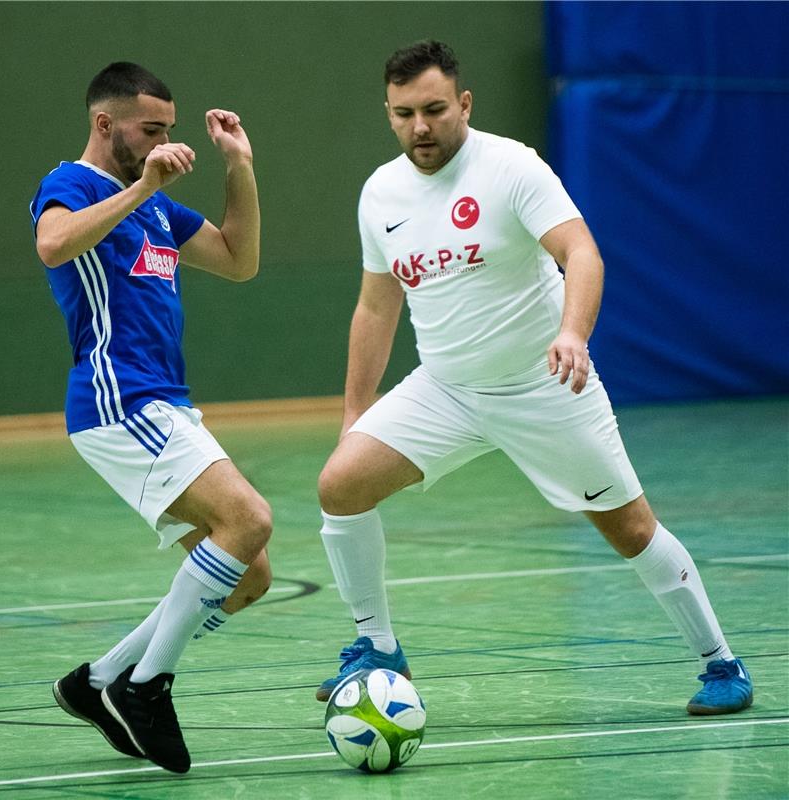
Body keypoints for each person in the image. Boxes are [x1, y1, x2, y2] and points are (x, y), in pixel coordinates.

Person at [315, 40, 753, 717]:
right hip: (447, 388)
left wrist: (572, 332)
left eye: (434, 109)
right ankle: (378, 647)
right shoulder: (382, 193)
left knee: (630, 529)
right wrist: (354, 412)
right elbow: (377, 305)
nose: (420, 127)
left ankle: (719, 661)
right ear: (389, 113)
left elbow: (580, 251)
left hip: (543, 384)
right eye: (404, 114)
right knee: (341, 485)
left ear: (464, 103)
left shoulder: (511, 166)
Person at [30, 62, 272, 774]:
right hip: (117, 397)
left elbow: (238, 260)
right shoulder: (71, 184)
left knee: (249, 574)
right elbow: (52, 244)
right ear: (106, 124)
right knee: (249, 518)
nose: (167, 142)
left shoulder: (161, 207)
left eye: (171, 128)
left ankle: (98, 681)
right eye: (152, 129)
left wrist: (240, 166)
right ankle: (148, 688)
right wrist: (142, 187)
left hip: (165, 399)